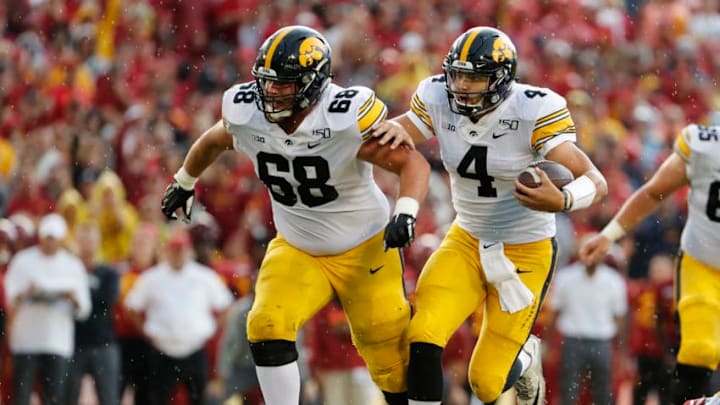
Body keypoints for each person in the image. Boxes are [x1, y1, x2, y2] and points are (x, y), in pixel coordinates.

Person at [160, 25, 430, 405]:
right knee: (266, 322)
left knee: (387, 355)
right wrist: (184, 180)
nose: (270, 92)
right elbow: (214, 139)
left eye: (283, 84)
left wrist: (406, 211)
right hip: (298, 245)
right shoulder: (247, 113)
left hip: (365, 245)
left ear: (313, 83)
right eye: (267, 82)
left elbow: (412, 163)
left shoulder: (342, 118)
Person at [383, 27, 608, 404]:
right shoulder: (437, 95)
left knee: (485, 384)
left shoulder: (534, 109)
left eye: (476, 77)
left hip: (526, 250)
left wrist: (565, 199)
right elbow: (398, 133)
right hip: (466, 238)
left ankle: (525, 359)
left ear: (501, 80)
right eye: (459, 74)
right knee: (422, 334)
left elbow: (595, 180)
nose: (464, 85)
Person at [580, 122, 720, 403]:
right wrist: (610, 236)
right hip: (702, 263)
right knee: (699, 349)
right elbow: (654, 192)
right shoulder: (705, 145)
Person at [124, 228, 233, 405]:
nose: (178, 255)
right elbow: (132, 306)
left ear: (189, 252)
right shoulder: (153, 277)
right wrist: (145, 331)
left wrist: (212, 328)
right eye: (174, 251)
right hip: (162, 349)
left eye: (181, 251)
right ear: (168, 252)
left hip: (195, 348)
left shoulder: (203, 276)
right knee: (156, 399)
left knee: (199, 399)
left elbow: (226, 305)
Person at [4, 213, 91, 405]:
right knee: (21, 397)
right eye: (46, 237)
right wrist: (27, 293)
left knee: (53, 398)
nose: (49, 243)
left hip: (57, 342)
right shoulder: (22, 261)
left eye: (53, 238)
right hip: (26, 342)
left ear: (61, 239)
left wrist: (71, 298)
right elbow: (10, 300)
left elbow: (84, 309)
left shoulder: (72, 265)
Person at [546, 256, 628, 405]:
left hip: (601, 341)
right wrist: (549, 343)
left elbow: (620, 318)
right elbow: (554, 313)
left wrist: (622, 351)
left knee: (603, 391)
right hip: (573, 340)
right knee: (569, 390)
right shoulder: (566, 277)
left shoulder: (613, 280)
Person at [65, 222, 121, 405]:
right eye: (83, 239)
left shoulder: (108, 272)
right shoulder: (68, 270)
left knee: (108, 398)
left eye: (90, 239)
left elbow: (105, 301)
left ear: (98, 242)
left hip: (102, 342)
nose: (86, 244)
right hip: (73, 343)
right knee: (68, 397)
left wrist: (77, 298)